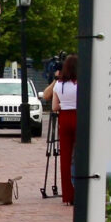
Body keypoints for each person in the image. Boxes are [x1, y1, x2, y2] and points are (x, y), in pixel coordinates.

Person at [39, 54, 80, 207]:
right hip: (78, 117)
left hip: (64, 119)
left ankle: (68, 195)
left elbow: (55, 106)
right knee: (80, 156)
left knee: (66, 157)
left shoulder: (59, 85)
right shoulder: (81, 83)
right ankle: (80, 189)